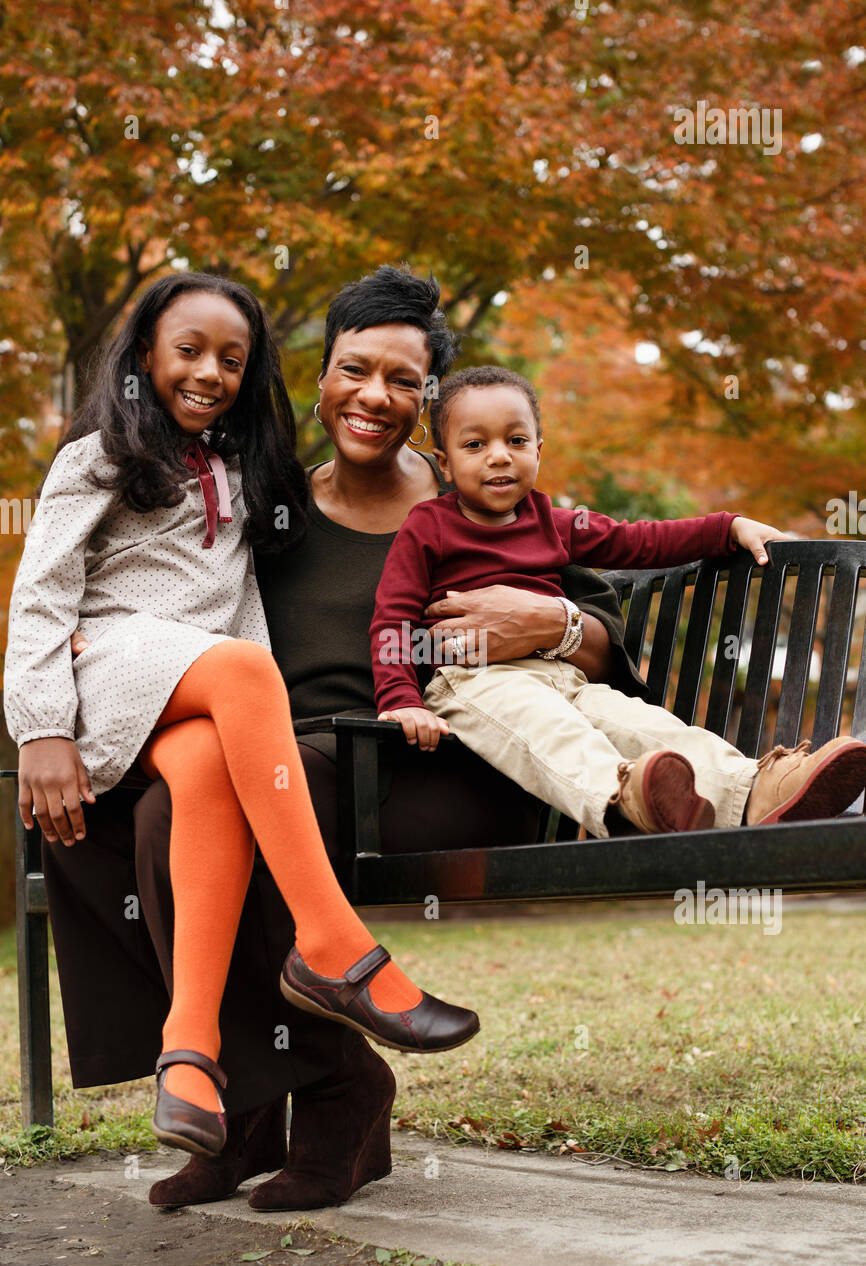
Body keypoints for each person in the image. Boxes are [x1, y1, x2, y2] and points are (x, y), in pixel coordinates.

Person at [35, 267, 634, 1213]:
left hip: (434, 761)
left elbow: (602, 635)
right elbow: (175, 593)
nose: (376, 397)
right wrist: (99, 643)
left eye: (404, 380)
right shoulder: (266, 507)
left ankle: (336, 1097)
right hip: (284, 757)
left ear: (430, 399)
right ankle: (243, 1115)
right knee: (161, 814)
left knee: (225, 814)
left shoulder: (474, 497)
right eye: (356, 371)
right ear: (319, 381)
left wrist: (552, 626)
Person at [4, 271, 480, 1167]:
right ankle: (336, 947)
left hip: (198, 685)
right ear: (145, 354)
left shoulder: (246, 473)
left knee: (212, 779)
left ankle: (191, 1053)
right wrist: (40, 727)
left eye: (233, 359)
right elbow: (41, 597)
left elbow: (240, 605)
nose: (210, 373)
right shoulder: (98, 455)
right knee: (240, 670)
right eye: (188, 352)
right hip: (110, 661)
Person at [372, 366, 866, 834]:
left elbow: (639, 540)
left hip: (564, 674)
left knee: (648, 726)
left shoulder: (552, 521)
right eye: (476, 444)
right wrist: (400, 700)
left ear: (539, 451)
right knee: (555, 734)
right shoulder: (428, 526)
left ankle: (756, 790)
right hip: (475, 680)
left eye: (516, 441)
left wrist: (727, 527)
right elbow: (391, 617)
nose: (499, 456)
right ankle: (626, 796)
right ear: (445, 462)